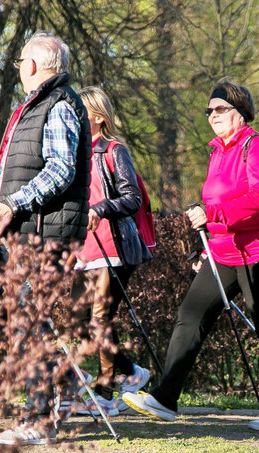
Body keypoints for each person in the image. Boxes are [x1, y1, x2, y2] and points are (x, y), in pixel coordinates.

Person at [123, 79, 259, 426]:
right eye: (209, 110)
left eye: (220, 109)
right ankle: (166, 398)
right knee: (190, 316)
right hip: (223, 251)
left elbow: (258, 198)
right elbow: (218, 202)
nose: (213, 115)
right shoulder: (217, 151)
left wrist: (213, 216)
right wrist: (210, 238)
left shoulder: (258, 146)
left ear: (241, 113)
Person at [0, 33, 92, 446]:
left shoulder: (60, 105)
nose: (17, 68)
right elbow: (18, 169)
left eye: (19, 62)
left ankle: (38, 420)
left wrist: (12, 204)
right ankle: (64, 388)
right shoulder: (33, 107)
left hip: (46, 234)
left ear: (32, 65)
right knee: (9, 317)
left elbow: (60, 170)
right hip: (25, 233)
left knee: (27, 324)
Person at [69, 86, 151, 417]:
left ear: (99, 118)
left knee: (101, 317)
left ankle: (105, 394)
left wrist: (101, 209)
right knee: (78, 320)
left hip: (113, 244)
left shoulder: (114, 151)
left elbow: (133, 198)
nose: (75, 119)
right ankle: (130, 371)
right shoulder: (73, 154)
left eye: (81, 113)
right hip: (83, 249)